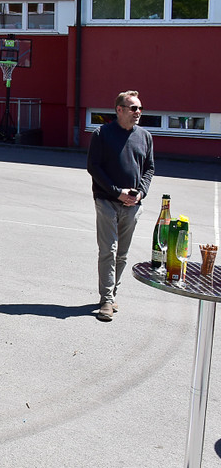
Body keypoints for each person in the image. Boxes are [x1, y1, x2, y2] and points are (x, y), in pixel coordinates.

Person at [87, 90, 155, 322]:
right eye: (134, 108)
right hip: (107, 202)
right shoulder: (102, 134)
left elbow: (149, 169)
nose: (138, 113)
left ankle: (112, 293)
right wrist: (118, 192)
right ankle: (106, 300)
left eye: (140, 108)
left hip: (133, 205)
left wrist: (140, 193)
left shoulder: (145, 137)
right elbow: (94, 167)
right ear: (119, 110)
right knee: (109, 251)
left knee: (122, 255)